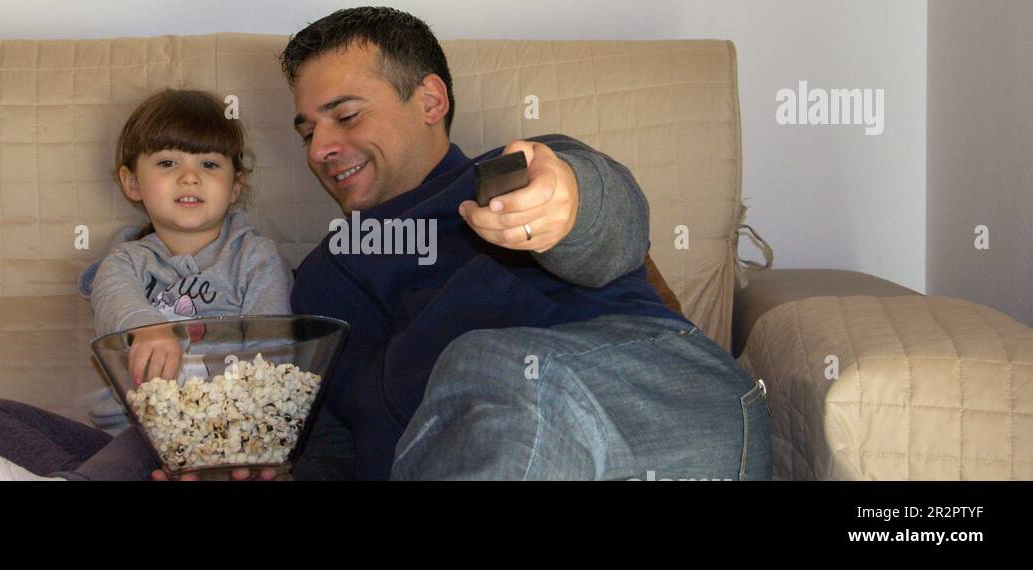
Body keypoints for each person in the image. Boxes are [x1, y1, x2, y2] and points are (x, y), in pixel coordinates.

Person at [245, 6, 772, 481]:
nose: (321, 149)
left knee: (488, 367)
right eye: (306, 131)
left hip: (663, 403)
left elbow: (614, 224)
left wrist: (568, 203)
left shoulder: (511, 175)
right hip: (475, 459)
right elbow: (337, 446)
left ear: (430, 100)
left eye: (346, 115)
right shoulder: (316, 282)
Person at [0, 89, 293, 481]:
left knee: (159, 427)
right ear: (132, 183)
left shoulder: (255, 257)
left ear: (234, 186)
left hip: (219, 442)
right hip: (122, 445)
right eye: (167, 162)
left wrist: (237, 432)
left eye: (210, 164)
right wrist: (148, 328)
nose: (190, 176)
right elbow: (115, 298)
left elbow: (273, 348)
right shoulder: (125, 259)